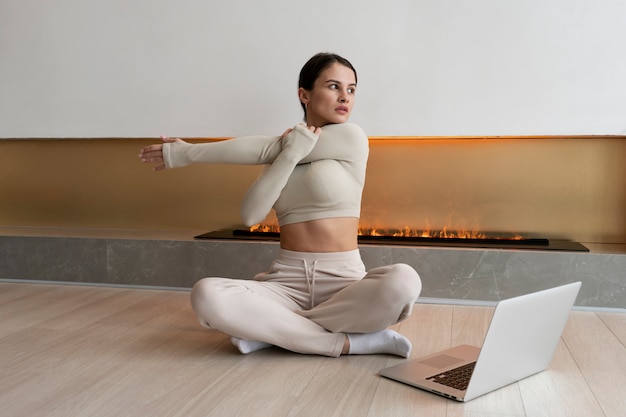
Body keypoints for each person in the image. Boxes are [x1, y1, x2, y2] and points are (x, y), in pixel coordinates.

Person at [138, 52, 422, 357]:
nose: (345, 97)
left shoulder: (352, 138)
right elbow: (250, 216)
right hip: (285, 284)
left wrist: (186, 154)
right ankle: (347, 342)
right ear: (305, 94)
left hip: (345, 284)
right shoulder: (282, 156)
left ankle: (277, 332)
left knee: (404, 280)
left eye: (351, 89)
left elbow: (266, 148)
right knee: (206, 294)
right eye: (333, 86)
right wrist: (289, 155)